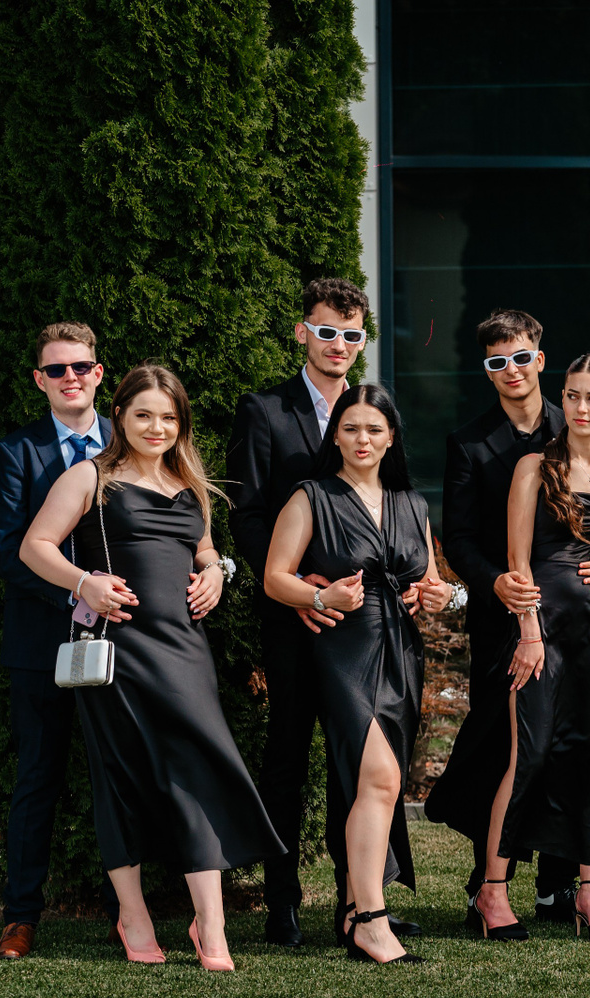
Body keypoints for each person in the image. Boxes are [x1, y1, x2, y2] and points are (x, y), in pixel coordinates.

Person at [20, 364, 286, 970]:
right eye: (143, 415)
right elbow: (34, 546)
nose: (156, 427)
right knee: (121, 778)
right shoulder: (90, 477)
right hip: (118, 651)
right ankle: (133, 915)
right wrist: (84, 582)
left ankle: (209, 923)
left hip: (186, 650)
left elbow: (205, 549)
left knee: (199, 771)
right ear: (119, 416)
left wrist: (216, 572)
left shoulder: (191, 485)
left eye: (168, 417)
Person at [425, 310, 590, 935]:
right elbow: (458, 537)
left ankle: (558, 885)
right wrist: (495, 581)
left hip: (577, 619)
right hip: (505, 619)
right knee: (506, 749)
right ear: (486, 370)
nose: (510, 370)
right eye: (496, 362)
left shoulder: (579, 419)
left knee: (572, 747)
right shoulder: (469, 442)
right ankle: (487, 883)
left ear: (539, 358)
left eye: (519, 357)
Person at [263, 385, 452, 963]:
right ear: (335, 437)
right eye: (350, 429)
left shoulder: (412, 503)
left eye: (373, 429)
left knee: (371, 784)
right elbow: (275, 578)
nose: (362, 439)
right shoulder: (311, 496)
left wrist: (438, 594)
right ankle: (371, 920)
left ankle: (353, 909)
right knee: (380, 779)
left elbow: (431, 580)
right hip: (343, 653)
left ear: (391, 436)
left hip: (403, 653)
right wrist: (322, 600)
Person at [229, 278, 378, 947]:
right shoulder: (264, 409)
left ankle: (355, 899)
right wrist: (293, 584)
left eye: (351, 334)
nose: (338, 344)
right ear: (302, 333)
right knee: (286, 756)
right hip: (290, 613)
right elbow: (247, 511)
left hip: (358, 618)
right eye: (326, 332)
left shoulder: (369, 409)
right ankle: (282, 902)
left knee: (356, 759)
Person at [481, 355, 590, 942]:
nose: (581, 407)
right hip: (541, 630)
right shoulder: (533, 466)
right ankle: (493, 890)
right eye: (573, 395)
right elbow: (517, 560)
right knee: (529, 754)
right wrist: (529, 633)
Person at [0, 322, 119, 959]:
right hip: (41, 640)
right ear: (40, 380)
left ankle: (131, 915)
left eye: (81, 367)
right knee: (37, 780)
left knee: (122, 776)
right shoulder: (18, 451)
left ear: (99, 373)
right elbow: (7, 551)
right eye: (58, 369)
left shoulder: (130, 439)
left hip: (126, 636)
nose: (72, 378)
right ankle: (20, 918)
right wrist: (76, 591)